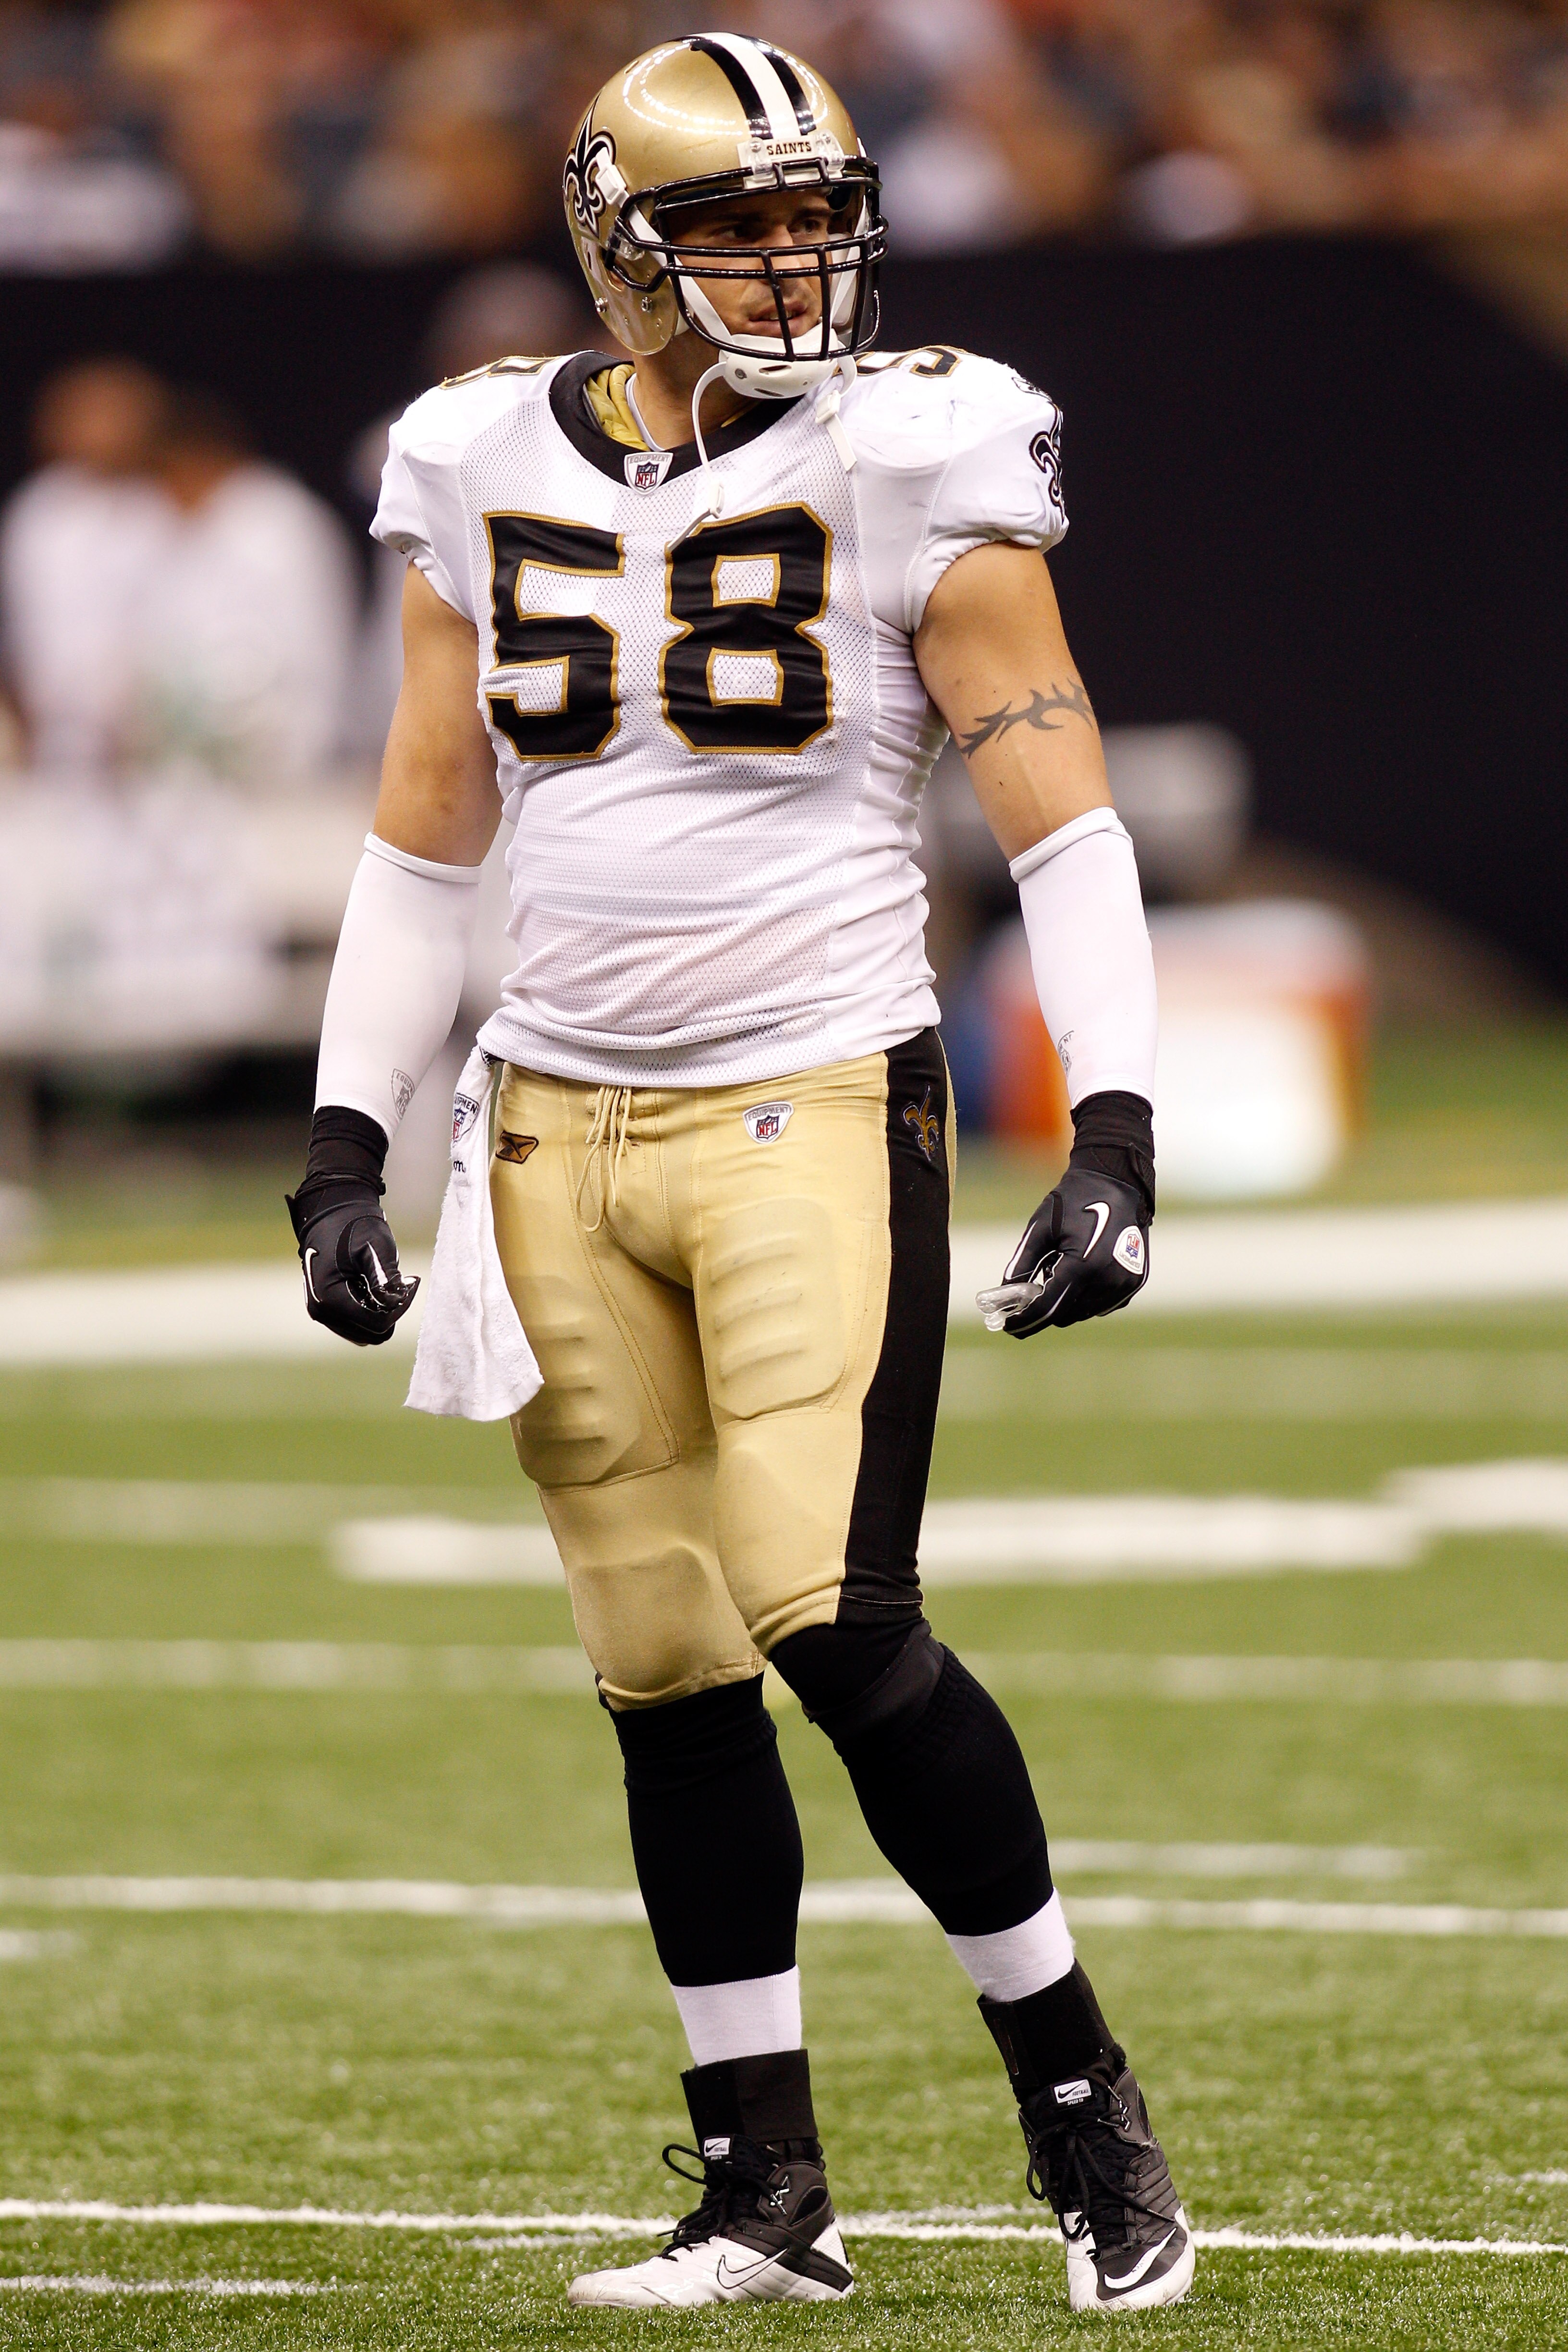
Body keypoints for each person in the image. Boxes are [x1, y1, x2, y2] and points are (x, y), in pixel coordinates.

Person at [286, 30, 1188, 2319]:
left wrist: (1112, 1121)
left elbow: (1059, 809)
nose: (798, 262)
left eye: (818, 218)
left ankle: (1078, 2092)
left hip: (812, 1094)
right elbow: (422, 832)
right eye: (745, 224)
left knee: (830, 1614)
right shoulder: (474, 456)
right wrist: (346, 1137)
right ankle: (762, 2185)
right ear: (620, 245)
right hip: (551, 1127)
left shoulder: (913, 448)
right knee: (662, 1661)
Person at [0, 358, 175, 772]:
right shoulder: (36, 512)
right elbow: (22, 626)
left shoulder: (164, 506)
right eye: (85, 416)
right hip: (54, 738)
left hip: (157, 736)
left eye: (114, 415)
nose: (99, 431)